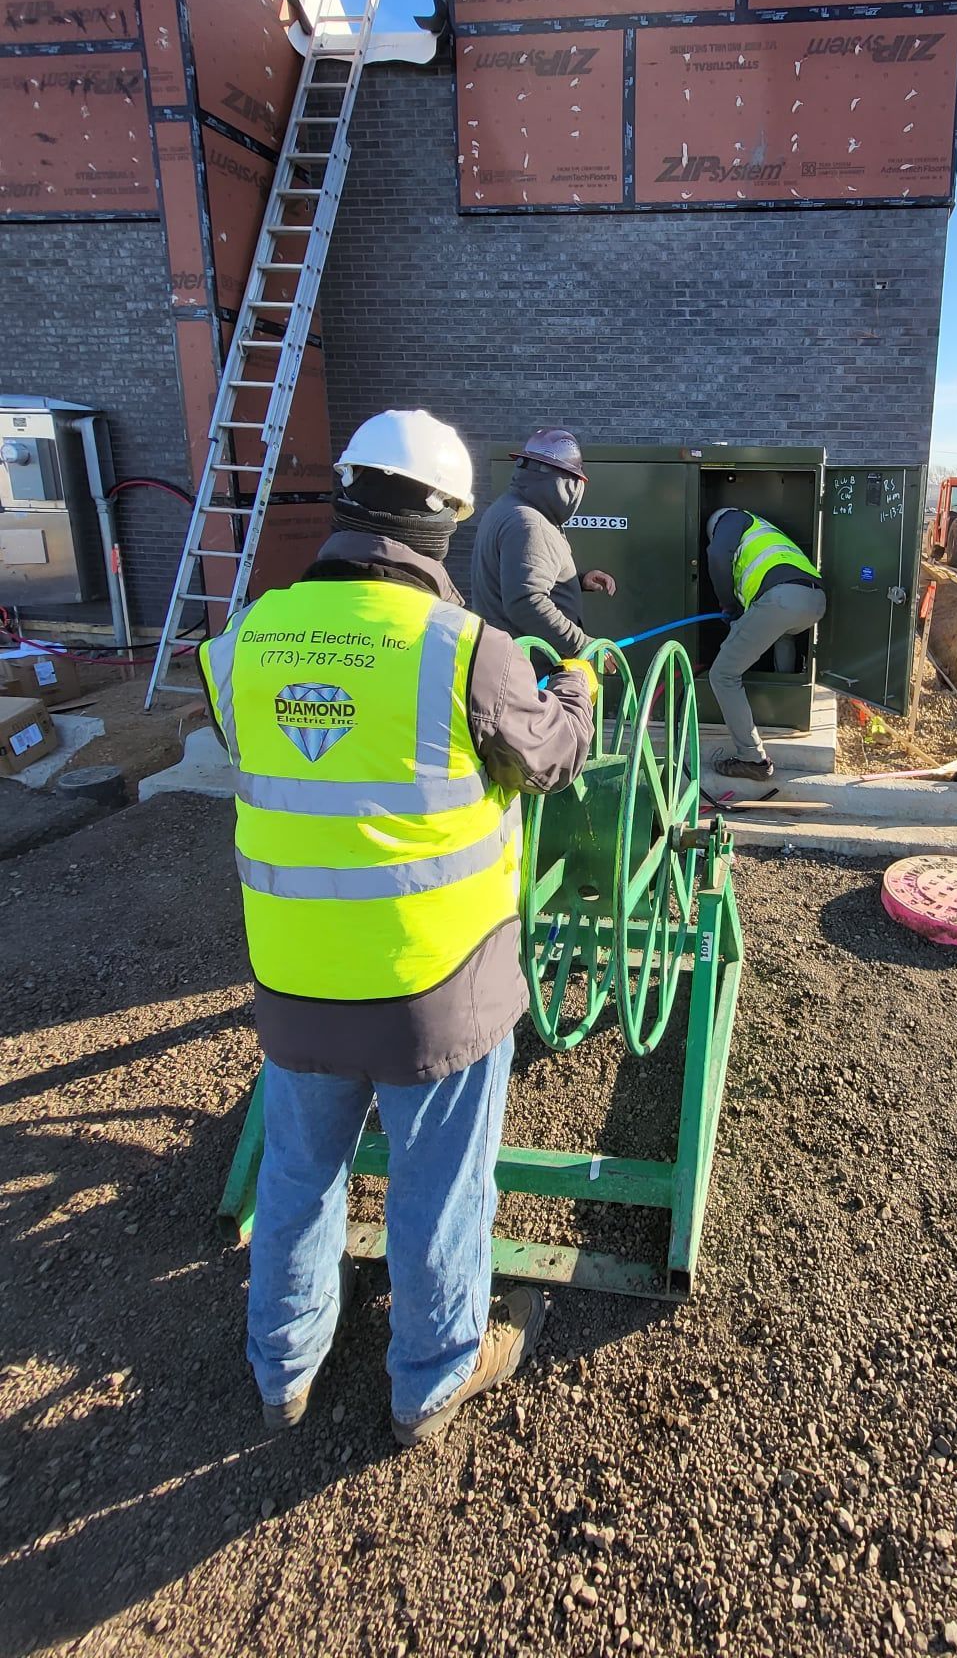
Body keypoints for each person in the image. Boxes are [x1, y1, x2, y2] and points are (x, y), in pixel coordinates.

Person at [198, 409, 596, 1446]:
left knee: (297, 1170)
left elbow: (258, 741)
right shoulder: (469, 650)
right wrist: (580, 694)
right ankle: (430, 1376)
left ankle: (281, 1368)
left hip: (293, 982)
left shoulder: (245, 639)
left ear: (346, 498)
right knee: (440, 1184)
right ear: (447, 522)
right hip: (437, 988)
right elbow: (550, 758)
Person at [704, 506, 826, 782]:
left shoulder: (731, 519)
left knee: (722, 675)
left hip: (781, 599)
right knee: (783, 635)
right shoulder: (766, 531)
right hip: (814, 600)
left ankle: (751, 758)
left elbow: (717, 556)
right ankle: (784, 709)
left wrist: (728, 605)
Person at [471, 429, 616, 657]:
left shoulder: (507, 507)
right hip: (530, 672)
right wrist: (582, 645)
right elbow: (527, 602)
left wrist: (578, 581)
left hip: (508, 660)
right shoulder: (529, 523)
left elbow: (517, 576)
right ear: (567, 483)